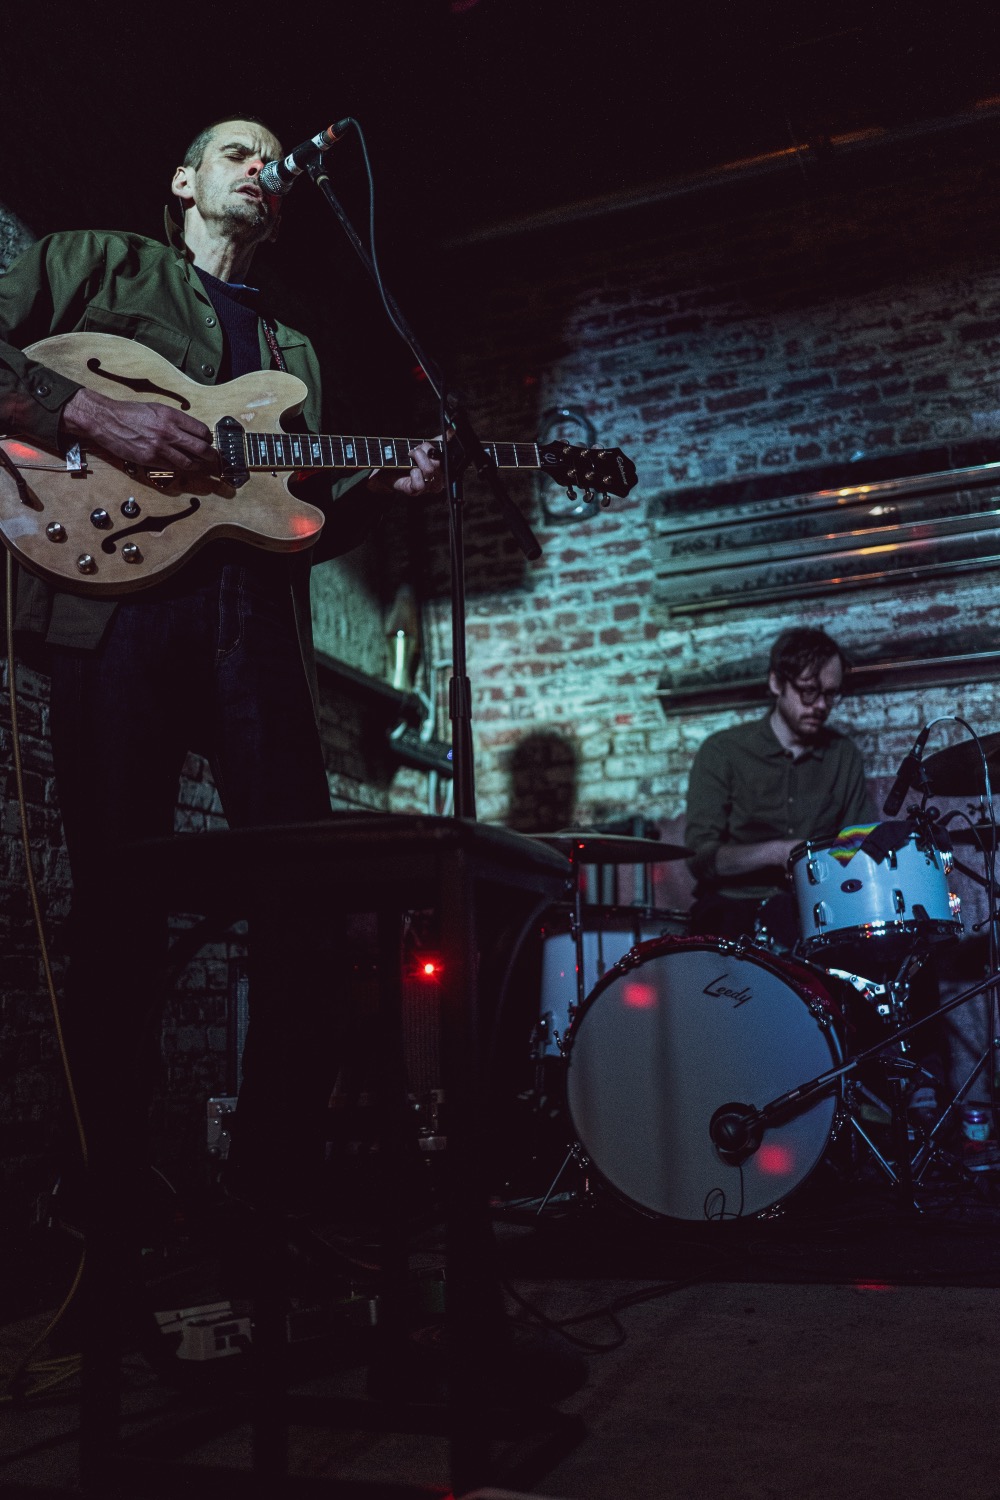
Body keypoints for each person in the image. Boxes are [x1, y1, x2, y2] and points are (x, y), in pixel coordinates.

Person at [0, 116, 444, 1219]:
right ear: (184, 180)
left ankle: (270, 1197)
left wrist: (376, 496)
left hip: (255, 625)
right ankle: (102, 1194)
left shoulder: (295, 353)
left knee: (306, 902)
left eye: (268, 158)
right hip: (116, 610)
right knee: (120, 907)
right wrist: (91, 413)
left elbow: (285, 523)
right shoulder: (95, 262)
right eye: (236, 151)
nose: (260, 166)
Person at [684, 626, 875, 941]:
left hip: (817, 905)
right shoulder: (722, 751)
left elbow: (858, 843)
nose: (820, 705)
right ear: (776, 683)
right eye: (808, 691)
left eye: (830, 694)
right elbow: (700, 858)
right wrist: (777, 852)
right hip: (733, 906)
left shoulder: (843, 754)